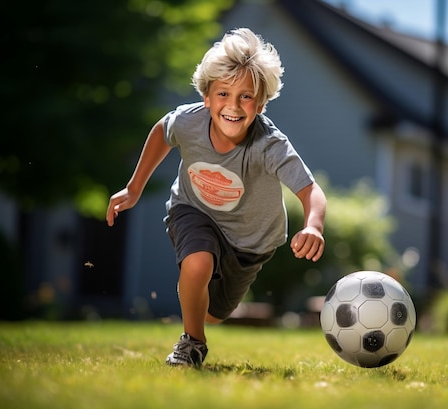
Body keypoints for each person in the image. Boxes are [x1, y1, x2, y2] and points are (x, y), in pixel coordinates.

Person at [105, 28, 326, 367]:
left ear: (262, 103)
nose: (233, 106)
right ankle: (192, 345)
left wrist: (313, 226)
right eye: (223, 93)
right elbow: (162, 131)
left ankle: (202, 320)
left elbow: (310, 191)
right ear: (206, 96)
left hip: (250, 241)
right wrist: (134, 187)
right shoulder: (188, 122)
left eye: (246, 97)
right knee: (198, 261)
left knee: (215, 314)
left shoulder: (269, 145)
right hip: (193, 209)